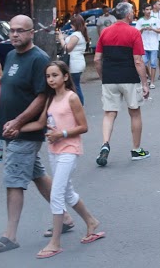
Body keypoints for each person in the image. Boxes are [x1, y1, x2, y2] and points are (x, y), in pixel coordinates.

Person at [0, 15, 76, 255]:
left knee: (14, 179)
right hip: (11, 129)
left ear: (31, 32)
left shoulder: (39, 59)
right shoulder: (11, 55)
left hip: (25, 131)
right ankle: (66, 218)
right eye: (12, 30)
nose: (15, 34)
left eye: (20, 30)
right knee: (37, 174)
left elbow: (42, 96)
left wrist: (18, 121)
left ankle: (10, 235)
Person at [18, 61, 103, 258]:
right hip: (54, 150)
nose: (51, 79)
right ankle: (91, 221)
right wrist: (16, 128)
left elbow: (84, 126)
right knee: (67, 192)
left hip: (69, 150)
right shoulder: (50, 98)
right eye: (48, 76)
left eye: (55, 75)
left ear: (65, 77)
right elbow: (41, 123)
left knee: (56, 193)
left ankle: (55, 243)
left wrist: (62, 134)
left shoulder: (72, 97)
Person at [93, 2, 150, 167]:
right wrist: (145, 83)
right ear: (128, 15)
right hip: (129, 77)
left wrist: (103, 76)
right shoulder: (134, 32)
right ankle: (136, 149)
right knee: (135, 113)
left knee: (109, 113)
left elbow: (97, 59)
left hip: (110, 78)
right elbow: (138, 61)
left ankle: (105, 143)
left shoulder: (105, 32)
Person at [58, 14, 88, 105]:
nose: (70, 26)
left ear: (76, 24)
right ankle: (78, 104)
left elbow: (67, 48)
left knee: (75, 85)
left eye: (72, 24)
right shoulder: (80, 34)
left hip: (74, 63)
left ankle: (79, 104)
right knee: (75, 84)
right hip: (78, 62)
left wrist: (61, 39)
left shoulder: (76, 35)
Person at [135, 3, 160, 89]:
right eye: (147, 9)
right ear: (143, 11)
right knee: (144, 63)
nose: (149, 11)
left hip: (154, 45)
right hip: (144, 45)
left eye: (150, 9)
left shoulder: (155, 19)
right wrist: (143, 29)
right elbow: (136, 33)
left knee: (153, 64)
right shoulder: (140, 21)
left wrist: (152, 29)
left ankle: (152, 82)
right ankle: (149, 76)